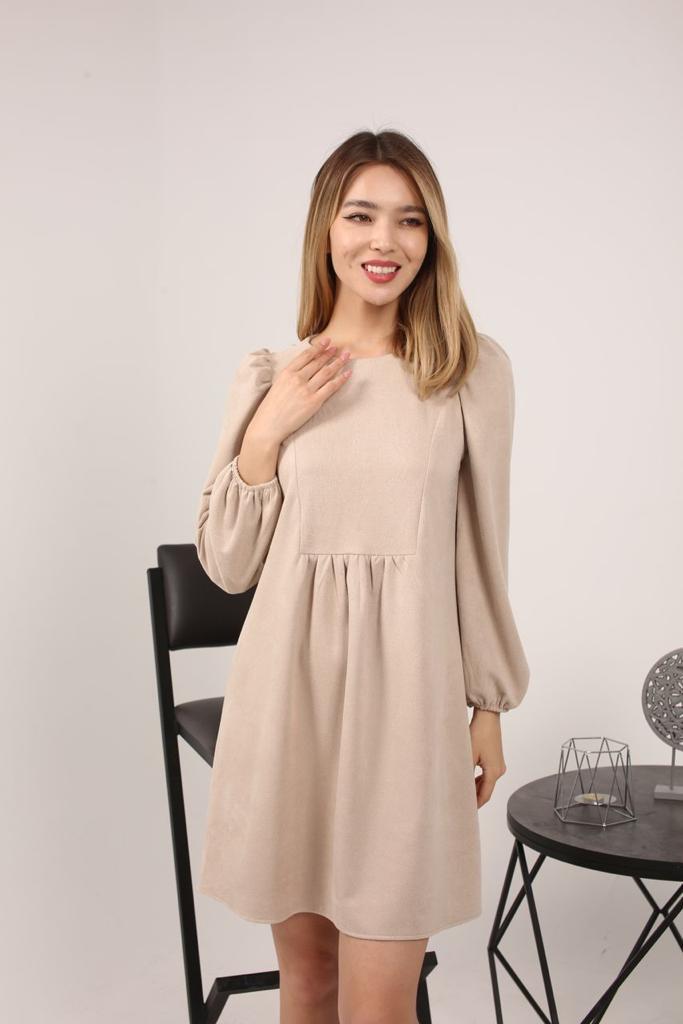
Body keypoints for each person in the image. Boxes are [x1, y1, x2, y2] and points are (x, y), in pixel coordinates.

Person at [195, 128, 530, 1024]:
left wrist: (487, 704)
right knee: (308, 985)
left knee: (379, 1005)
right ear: (326, 229)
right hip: (287, 699)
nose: (385, 241)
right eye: (361, 216)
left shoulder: (465, 376)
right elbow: (227, 564)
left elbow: (480, 552)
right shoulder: (272, 374)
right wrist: (269, 429)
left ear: (432, 237)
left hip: (405, 707)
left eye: (409, 220)